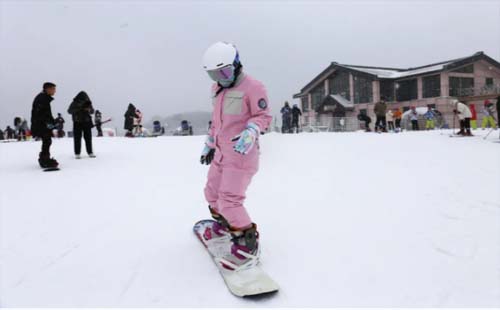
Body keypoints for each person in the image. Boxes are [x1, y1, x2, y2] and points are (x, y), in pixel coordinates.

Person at [199, 41, 272, 269]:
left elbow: (263, 116)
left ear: (237, 64)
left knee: (229, 200)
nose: (220, 77)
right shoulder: (217, 89)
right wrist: (210, 143)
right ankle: (226, 225)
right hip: (221, 153)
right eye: (214, 74)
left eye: (224, 71)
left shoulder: (254, 87)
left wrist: (252, 129)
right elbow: (218, 121)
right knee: (212, 193)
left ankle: (246, 242)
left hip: (242, 155)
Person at [31, 82, 58, 168]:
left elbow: (47, 115)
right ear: (48, 89)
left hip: (42, 124)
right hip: (40, 125)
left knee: (47, 141)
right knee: (47, 141)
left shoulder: (44, 98)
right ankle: (44, 160)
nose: (55, 91)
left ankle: (45, 158)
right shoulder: (42, 99)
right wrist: (50, 125)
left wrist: (52, 124)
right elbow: (42, 115)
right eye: (53, 89)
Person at [68, 91, 96, 158]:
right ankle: (77, 153)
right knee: (77, 138)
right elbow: (69, 111)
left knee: (88, 138)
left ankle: (90, 152)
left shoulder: (88, 102)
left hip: (86, 122)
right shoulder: (75, 102)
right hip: (77, 122)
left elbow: (92, 111)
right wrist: (79, 108)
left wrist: (89, 109)